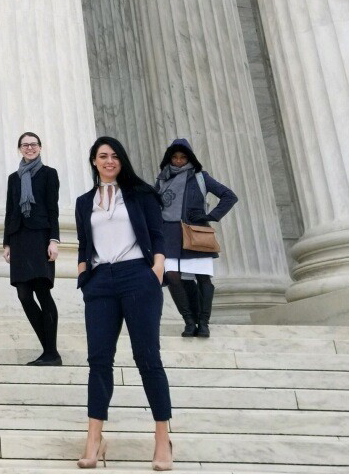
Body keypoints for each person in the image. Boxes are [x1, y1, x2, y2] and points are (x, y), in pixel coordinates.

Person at [75, 137, 173, 470]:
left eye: (115, 155)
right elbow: (83, 243)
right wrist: (83, 276)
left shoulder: (139, 194)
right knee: (99, 360)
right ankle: (94, 439)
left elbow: (158, 234)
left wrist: (156, 269)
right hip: (100, 281)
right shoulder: (84, 201)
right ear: (93, 161)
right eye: (103, 156)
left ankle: (162, 439)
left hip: (137, 277)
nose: (109, 161)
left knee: (147, 357)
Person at [155, 139, 238, 338]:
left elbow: (229, 196)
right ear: (169, 158)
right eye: (175, 157)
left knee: (202, 279)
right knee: (173, 276)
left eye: (183, 157)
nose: (178, 161)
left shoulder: (201, 177)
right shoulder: (161, 180)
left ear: (190, 158)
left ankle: (204, 323)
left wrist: (210, 216)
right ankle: (189, 321)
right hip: (169, 234)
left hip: (195, 233)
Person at [3, 132, 62, 366]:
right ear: (19, 149)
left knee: (42, 291)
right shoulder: (13, 178)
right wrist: (6, 243)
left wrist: (54, 240)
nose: (30, 148)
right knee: (23, 295)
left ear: (40, 147)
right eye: (25, 145)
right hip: (18, 238)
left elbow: (53, 209)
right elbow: (10, 210)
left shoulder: (49, 174)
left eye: (33, 144)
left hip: (40, 237)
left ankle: (51, 352)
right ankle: (48, 349)